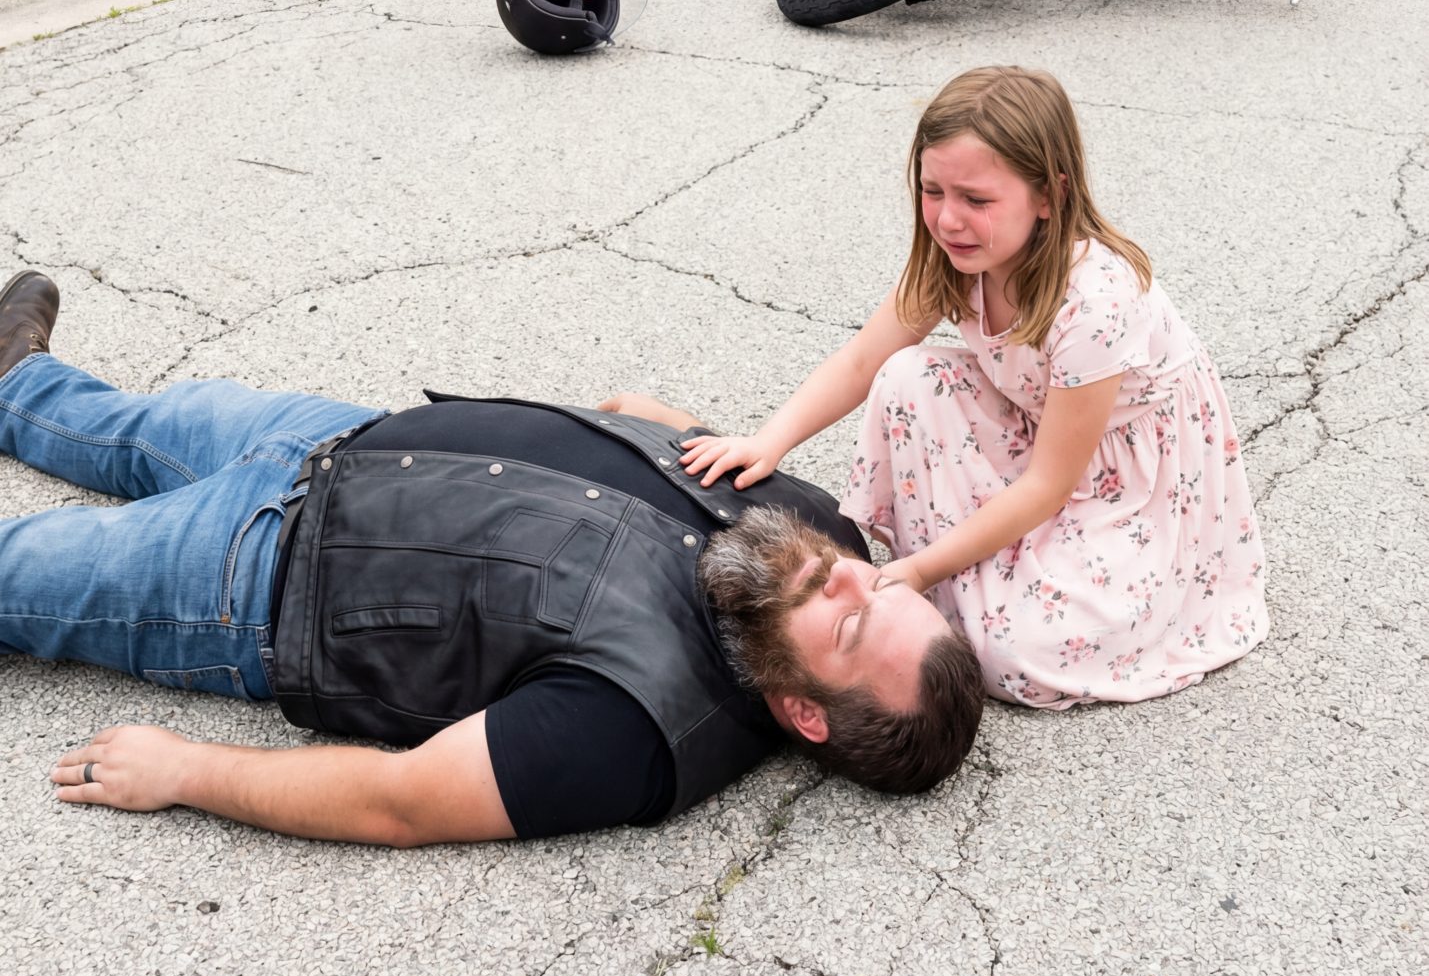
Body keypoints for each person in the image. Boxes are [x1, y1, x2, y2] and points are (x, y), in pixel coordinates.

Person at [0, 273, 983, 843]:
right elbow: (682, 438)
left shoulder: (638, 736)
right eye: (886, 582)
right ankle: (22, 381)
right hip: (354, 440)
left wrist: (188, 772)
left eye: (854, 618)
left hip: (253, 580)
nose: (850, 571)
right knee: (136, 427)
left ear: (803, 710)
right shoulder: (821, 545)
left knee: (18, 569)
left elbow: (404, 800)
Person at [682, 65, 1268, 709]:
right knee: (907, 376)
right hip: (1037, 421)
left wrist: (921, 569)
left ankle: (964, 577)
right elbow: (861, 360)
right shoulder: (954, 258)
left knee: (1014, 656)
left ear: (1050, 195)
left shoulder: (1097, 302)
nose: (949, 219)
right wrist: (769, 441)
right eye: (933, 191)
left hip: (1121, 471)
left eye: (976, 200)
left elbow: (1051, 484)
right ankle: (976, 575)